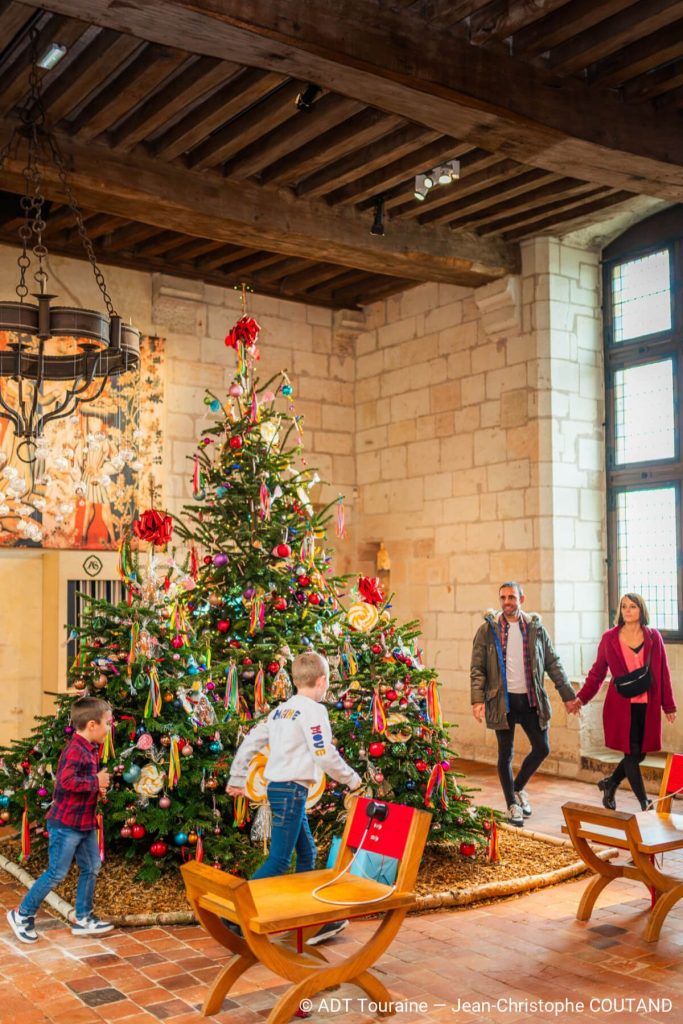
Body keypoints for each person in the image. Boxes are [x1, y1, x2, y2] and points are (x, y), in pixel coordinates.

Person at [227, 650, 362, 945]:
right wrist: (352, 779)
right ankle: (235, 913)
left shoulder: (280, 710)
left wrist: (238, 777)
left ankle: (308, 922)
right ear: (323, 681)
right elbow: (324, 754)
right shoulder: (314, 711)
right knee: (278, 860)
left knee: (307, 853)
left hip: (281, 789)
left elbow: (251, 741)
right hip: (290, 791)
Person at [6, 697, 114, 944]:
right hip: (66, 825)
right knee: (56, 872)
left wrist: (98, 788)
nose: (109, 728)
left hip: (84, 823)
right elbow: (65, 782)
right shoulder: (75, 750)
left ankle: (83, 918)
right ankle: (21, 914)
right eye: (107, 723)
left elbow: (82, 783)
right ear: (92, 725)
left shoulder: (90, 748)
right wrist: (95, 782)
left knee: (91, 866)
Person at [470, 581, 578, 826]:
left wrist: (568, 695)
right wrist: (478, 700)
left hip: (531, 700)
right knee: (505, 754)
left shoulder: (535, 628)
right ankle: (511, 806)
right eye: (503, 598)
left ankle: (517, 789)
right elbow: (477, 668)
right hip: (502, 701)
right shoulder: (488, 630)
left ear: (522, 599)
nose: (507, 602)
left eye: (512, 597)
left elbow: (553, 663)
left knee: (542, 748)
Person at [567, 593, 677, 811]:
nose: (627, 610)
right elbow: (597, 673)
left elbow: (663, 673)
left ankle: (611, 783)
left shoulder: (654, 637)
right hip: (621, 706)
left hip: (648, 705)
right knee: (630, 752)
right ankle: (644, 802)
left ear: (641, 610)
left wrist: (669, 705)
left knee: (639, 753)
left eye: (633, 606)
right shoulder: (609, 638)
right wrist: (582, 698)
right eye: (624, 606)